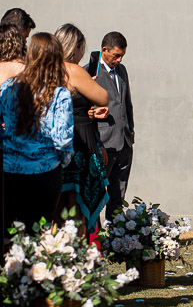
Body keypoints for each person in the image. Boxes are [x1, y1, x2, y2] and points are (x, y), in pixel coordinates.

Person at [0, 33, 73, 233]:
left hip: (10, 171)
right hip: (46, 172)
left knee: (10, 236)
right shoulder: (60, 94)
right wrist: (61, 162)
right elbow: (63, 140)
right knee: (37, 235)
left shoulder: (7, 87)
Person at [54, 24, 110, 234]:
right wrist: (87, 83)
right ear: (74, 48)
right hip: (79, 143)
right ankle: (76, 255)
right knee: (77, 207)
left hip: (53, 145)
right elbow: (103, 97)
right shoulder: (74, 70)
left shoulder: (46, 70)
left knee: (57, 209)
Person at [89, 31, 134, 221]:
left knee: (118, 196)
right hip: (103, 144)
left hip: (124, 142)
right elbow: (84, 111)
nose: (119, 59)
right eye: (116, 55)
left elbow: (127, 103)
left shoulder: (122, 70)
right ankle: (95, 239)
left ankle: (116, 236)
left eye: (122, 55)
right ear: (104, 50)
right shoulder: (90, 72)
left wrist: (130, 132)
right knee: (96, 194)